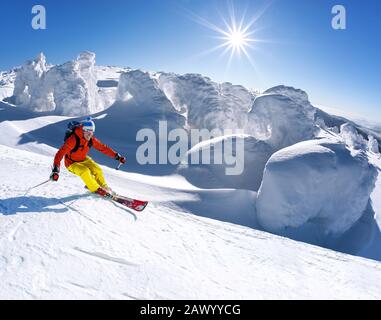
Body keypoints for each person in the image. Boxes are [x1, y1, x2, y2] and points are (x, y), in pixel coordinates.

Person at [50, 119, 126, 197]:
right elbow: (60, 153)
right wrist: (56, 169)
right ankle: (96, 189)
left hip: (83, 159)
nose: (90, 135)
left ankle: (104, 187)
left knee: (97, 169)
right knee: (85, 171)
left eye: (92, 132)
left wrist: (117, 156)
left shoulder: (91, 139)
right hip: (71, 163)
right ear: (83, 130)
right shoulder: (73, 140)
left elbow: (103, 148)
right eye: (88, 132)